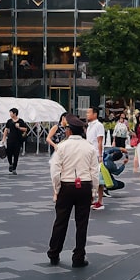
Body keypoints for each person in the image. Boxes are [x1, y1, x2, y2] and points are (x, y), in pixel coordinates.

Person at [46, 115, 97, 268]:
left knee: (60, 221)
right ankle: (78, 257)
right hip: (85, 185)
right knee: (82, 223)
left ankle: (54, 253)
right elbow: (95, 171)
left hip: (66, 185)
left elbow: (55, 170)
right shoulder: (89, 147)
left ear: (68, 131)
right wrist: (94, 192)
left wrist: (56, 188)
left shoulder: (61, 146)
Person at [84, 107, 106, 209]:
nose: (87, 114)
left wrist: (100, 155)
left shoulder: (98, 125)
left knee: (99, 178)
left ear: (95, 114)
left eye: (89, 113)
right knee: (90, 177)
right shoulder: (89, 126)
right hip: (89, 154)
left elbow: (100, 141)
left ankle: (100, 201)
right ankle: (92, 198)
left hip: (97, 155)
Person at [4, 108, 26, 175]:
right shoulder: (9, 121)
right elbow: (6, 130)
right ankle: (10, 164)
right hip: (10, 139)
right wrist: (3, 138)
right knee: (9, 153)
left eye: (11, 113)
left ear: (15, 113)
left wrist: (19, 127)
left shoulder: (21, 121)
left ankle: (14, 168)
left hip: (18, 140)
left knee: (16, 155)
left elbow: (25, 129)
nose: (10, 114)